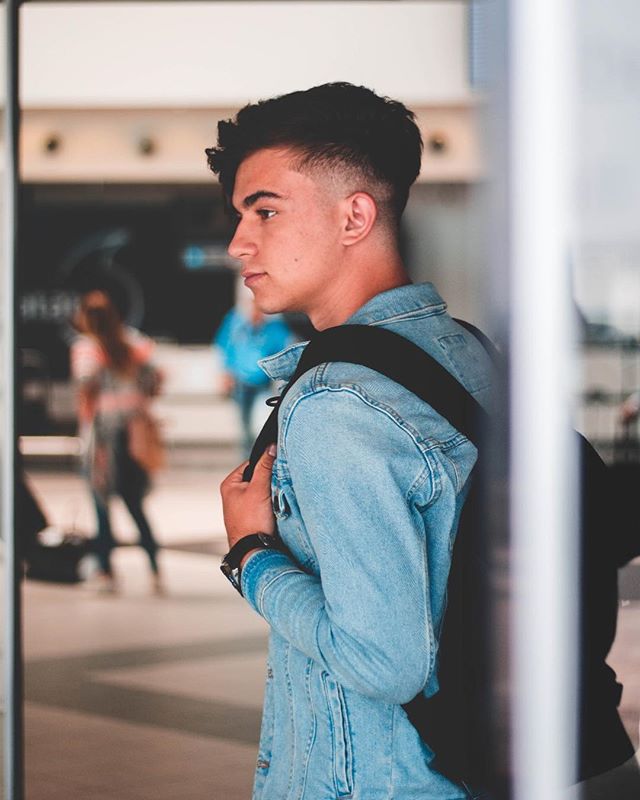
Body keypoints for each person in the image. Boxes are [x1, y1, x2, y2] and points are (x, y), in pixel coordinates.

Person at [208, 83, 494, 799]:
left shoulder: (339, 401)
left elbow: (381, 662)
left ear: (354, 215)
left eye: (265, 211)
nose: (239, 242)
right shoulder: (464, 350)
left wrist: (251, 554)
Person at [71, 290, 164, 594]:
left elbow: (85, 391)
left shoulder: (86, 349)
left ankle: (106, 572)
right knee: (135, 503)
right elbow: (156, 377)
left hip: (102, 437)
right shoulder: (133, 343)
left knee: (101, 504)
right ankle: (154, 568)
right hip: (133, 433)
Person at [214, 292, 292, 457]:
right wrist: (225, 374)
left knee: (261, 422)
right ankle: (246, 461)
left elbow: (285, 347)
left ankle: (261, 458)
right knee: (244, 425)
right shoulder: (236, 324)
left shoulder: (274, 329)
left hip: (263, 382)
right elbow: (225, 349)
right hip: (241, 381)